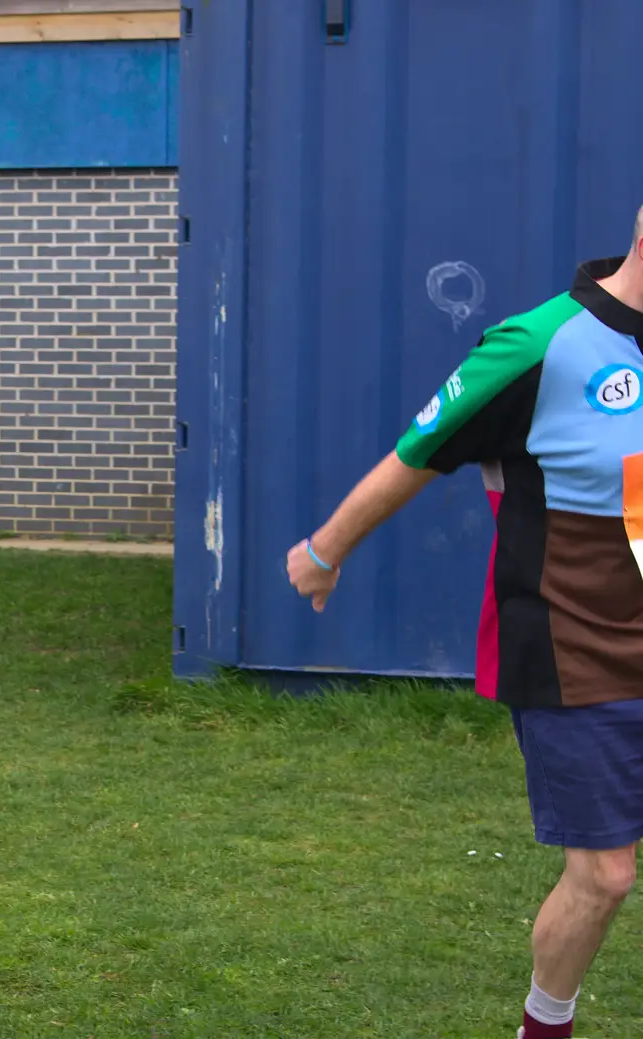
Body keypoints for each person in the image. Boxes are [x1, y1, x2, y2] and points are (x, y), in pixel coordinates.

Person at [287, 208, 643, 1039]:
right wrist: (325, 548)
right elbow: (420, 449)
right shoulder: (540, 343)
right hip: (571, 645)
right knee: (604, 877)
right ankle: (543, 1026)